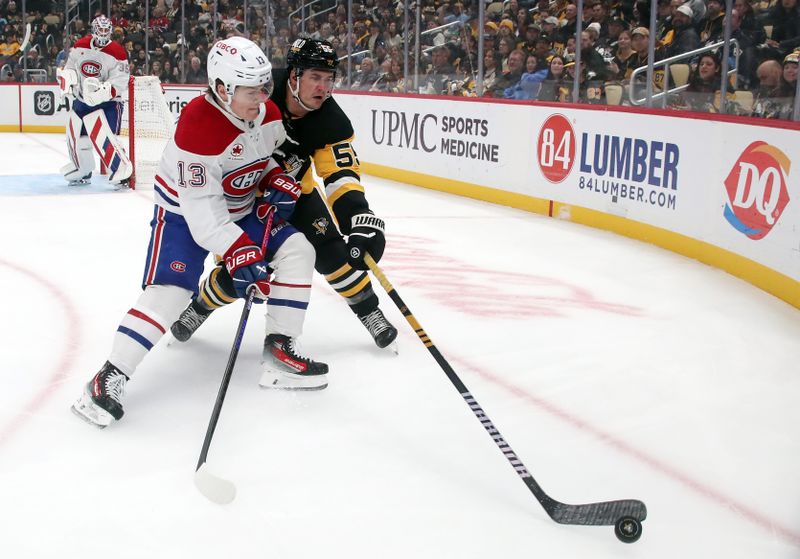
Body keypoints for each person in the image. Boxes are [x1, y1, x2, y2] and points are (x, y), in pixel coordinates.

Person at [71, 37, 327, 429]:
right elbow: (204, 216)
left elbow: (264, 160)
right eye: (250, 88)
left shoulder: (267, 111)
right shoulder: (198, 127)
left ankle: (279, 351)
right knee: (170, 294)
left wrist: (276, 179)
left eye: (263, 86)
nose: (261, 95)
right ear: (223, 88)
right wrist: (239, 251)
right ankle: (108, 377)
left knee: (298, 250)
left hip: (239, 209)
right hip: (184, 217)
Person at [170, 38, 398, 353]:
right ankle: (201, 307)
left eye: (329, 79)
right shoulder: (258, 88)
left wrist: (357, 215)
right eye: (315, 77)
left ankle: (369, 310)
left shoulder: (331, 120)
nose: (324, 87)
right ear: (293, 76)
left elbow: (339, 172)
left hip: (294, 191)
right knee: (247, 267)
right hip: (244, 194)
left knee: (333, 252)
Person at [57, 15, 132, 187]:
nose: (103, 33)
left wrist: (102, 92)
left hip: (109, 103)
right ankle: (82, 169)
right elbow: (70, 67)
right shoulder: (80, 45)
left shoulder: (118, 52)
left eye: (107, 30)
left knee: (107, 137)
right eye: (101, 29)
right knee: (76, 135)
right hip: (82, 100)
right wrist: (67, 80)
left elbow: (121, 80)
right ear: (94, 29)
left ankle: (121, 171)